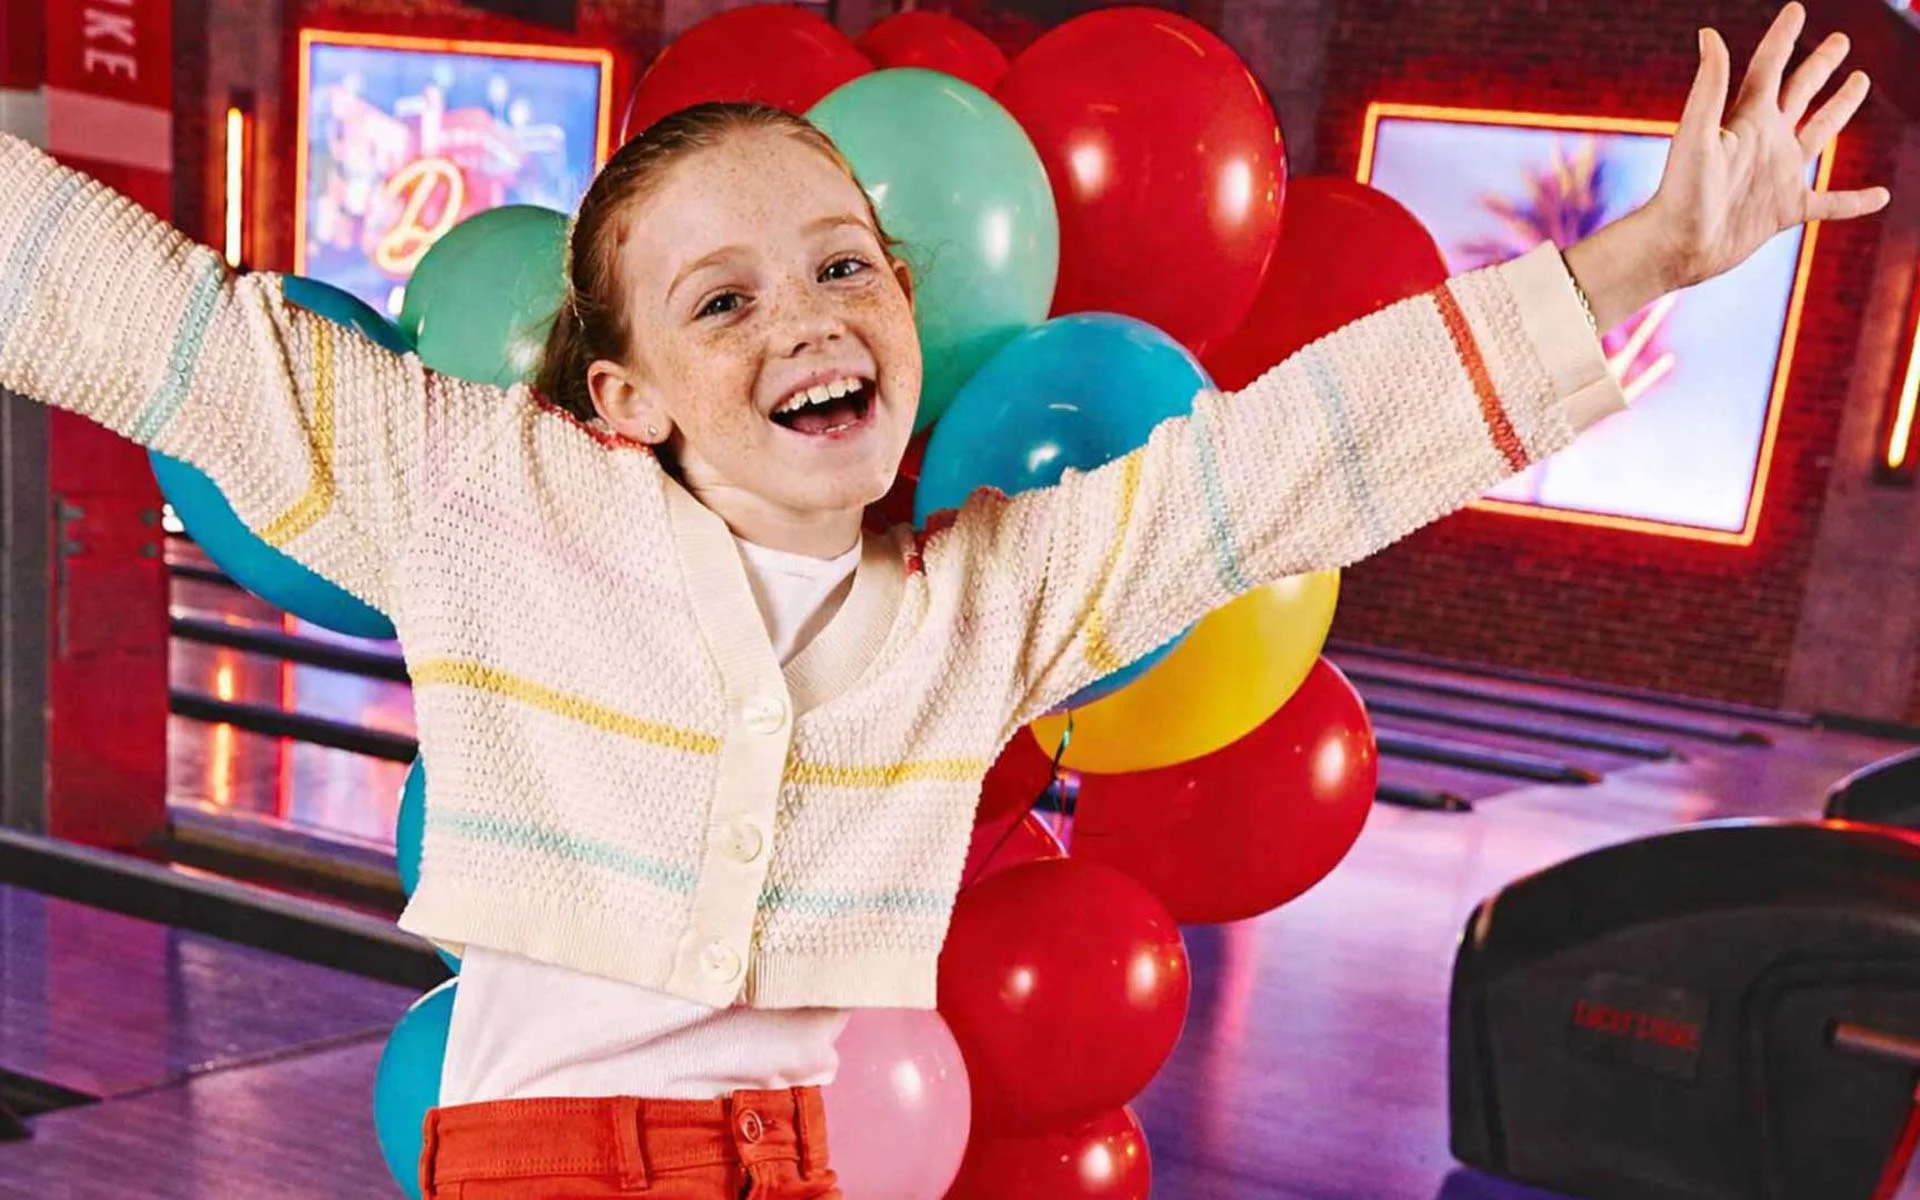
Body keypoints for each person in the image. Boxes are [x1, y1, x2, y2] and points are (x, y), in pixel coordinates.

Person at [0, 6, 1886, 1198]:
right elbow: (169, 332)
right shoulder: (490, 501)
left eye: (844, 264)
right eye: (722, 299)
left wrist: (1635, 260)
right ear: (622, 396)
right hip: (536, 1166)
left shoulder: (987, 592)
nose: (808, 313)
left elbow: (1293, 458)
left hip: (802, 1168)